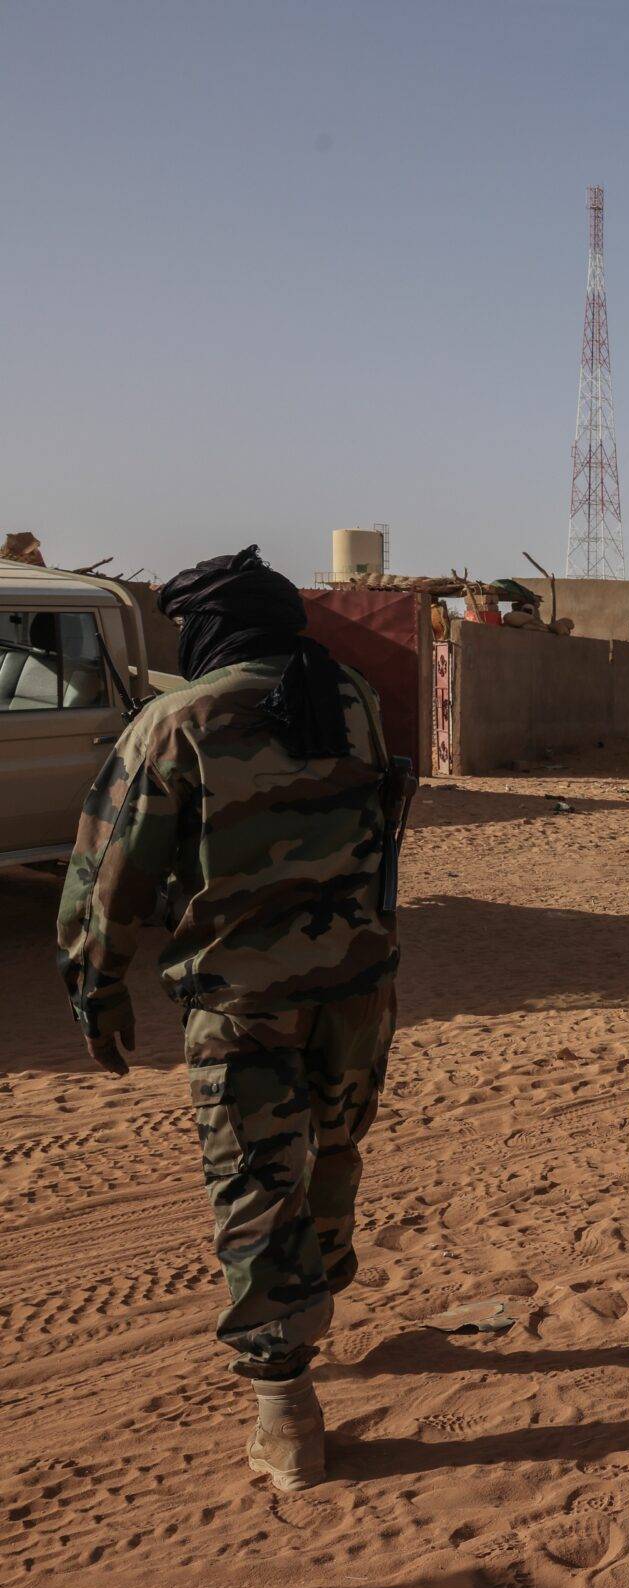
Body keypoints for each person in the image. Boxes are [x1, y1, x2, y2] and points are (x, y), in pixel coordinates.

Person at [56, 546, 408, 1493]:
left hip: (244, 1003)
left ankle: (286, 1412)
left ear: (208, 630)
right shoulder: (354, 697)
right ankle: (319, 1298)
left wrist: (96, 984)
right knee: (333, 1150)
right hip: (358, 990)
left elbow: (109, 871)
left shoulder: (181, 721)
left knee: (256, 1186)